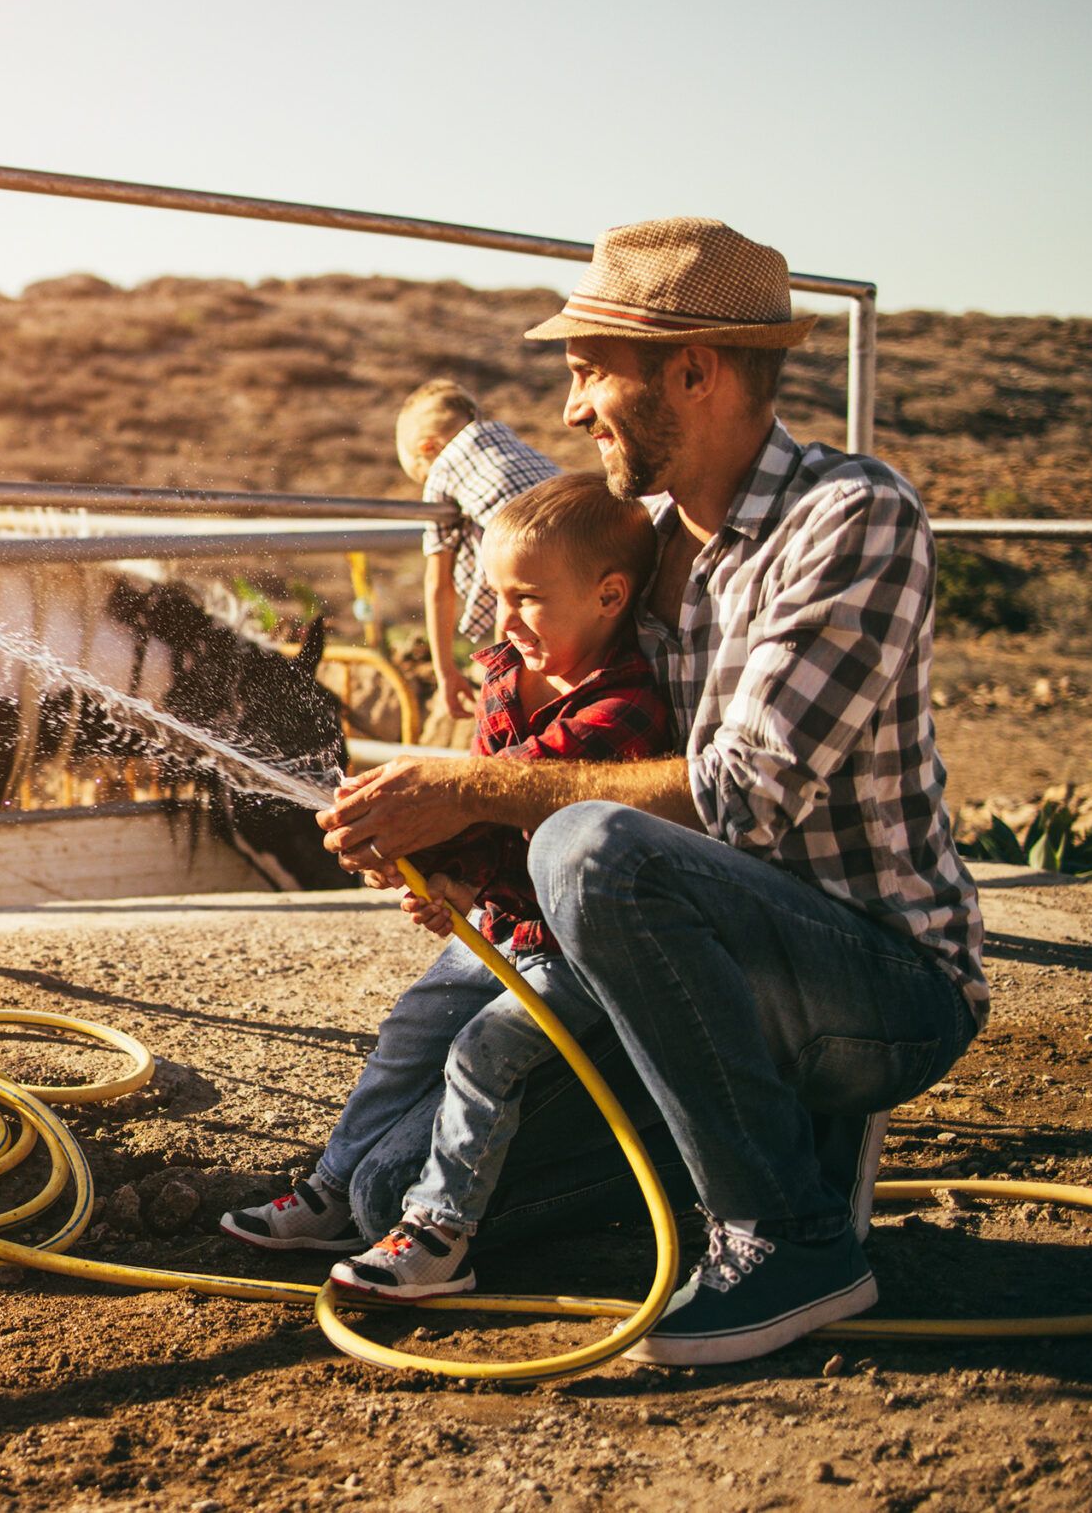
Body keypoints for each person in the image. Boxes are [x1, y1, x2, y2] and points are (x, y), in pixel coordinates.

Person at [317, 217, 985, 1364]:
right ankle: (730, 1143)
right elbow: (527, 657)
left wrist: (472, 782)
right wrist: (446, 836)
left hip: (877, 983)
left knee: (588, 847)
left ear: (694, 368)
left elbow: (746, 797)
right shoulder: (644, 538)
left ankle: (791, 1239)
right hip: (682, 966)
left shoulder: (853, 520)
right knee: (389, 1194)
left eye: (588, 374)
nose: (572, 409)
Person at [220, 474, 670, 1299]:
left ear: (610, 596)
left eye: (528, 598)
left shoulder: (625, 712)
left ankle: (440, 1232)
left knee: (485, 1050)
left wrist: (444, 827)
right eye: (497, 596)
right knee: (413, 1024)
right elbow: (491, 818)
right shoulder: (507, 674)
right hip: (511, 926)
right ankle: (331, 1186)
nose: (503, 622)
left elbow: (525, 796)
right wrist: (455, 881)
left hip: (581, 947)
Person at [395, 381, 559, 724]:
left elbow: (438, 586)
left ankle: (504, 716)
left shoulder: (444, 470)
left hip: (530, 562)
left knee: (508, 671)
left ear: (428, 448)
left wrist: (446, 672)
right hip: (577, 549)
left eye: (418, 475)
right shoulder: (509, 442)